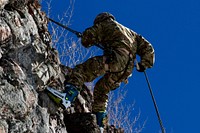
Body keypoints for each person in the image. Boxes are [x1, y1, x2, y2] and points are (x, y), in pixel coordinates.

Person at [47, 12, 155, 128]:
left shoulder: (105, 24)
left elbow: (87, 39)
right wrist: (144, 64)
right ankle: (100, 123)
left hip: (114, 60)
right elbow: (148, 47)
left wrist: (85, 37)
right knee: (101, 90)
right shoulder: (132, 34)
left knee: (81, 71)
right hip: (126, 70)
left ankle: (67, 97)